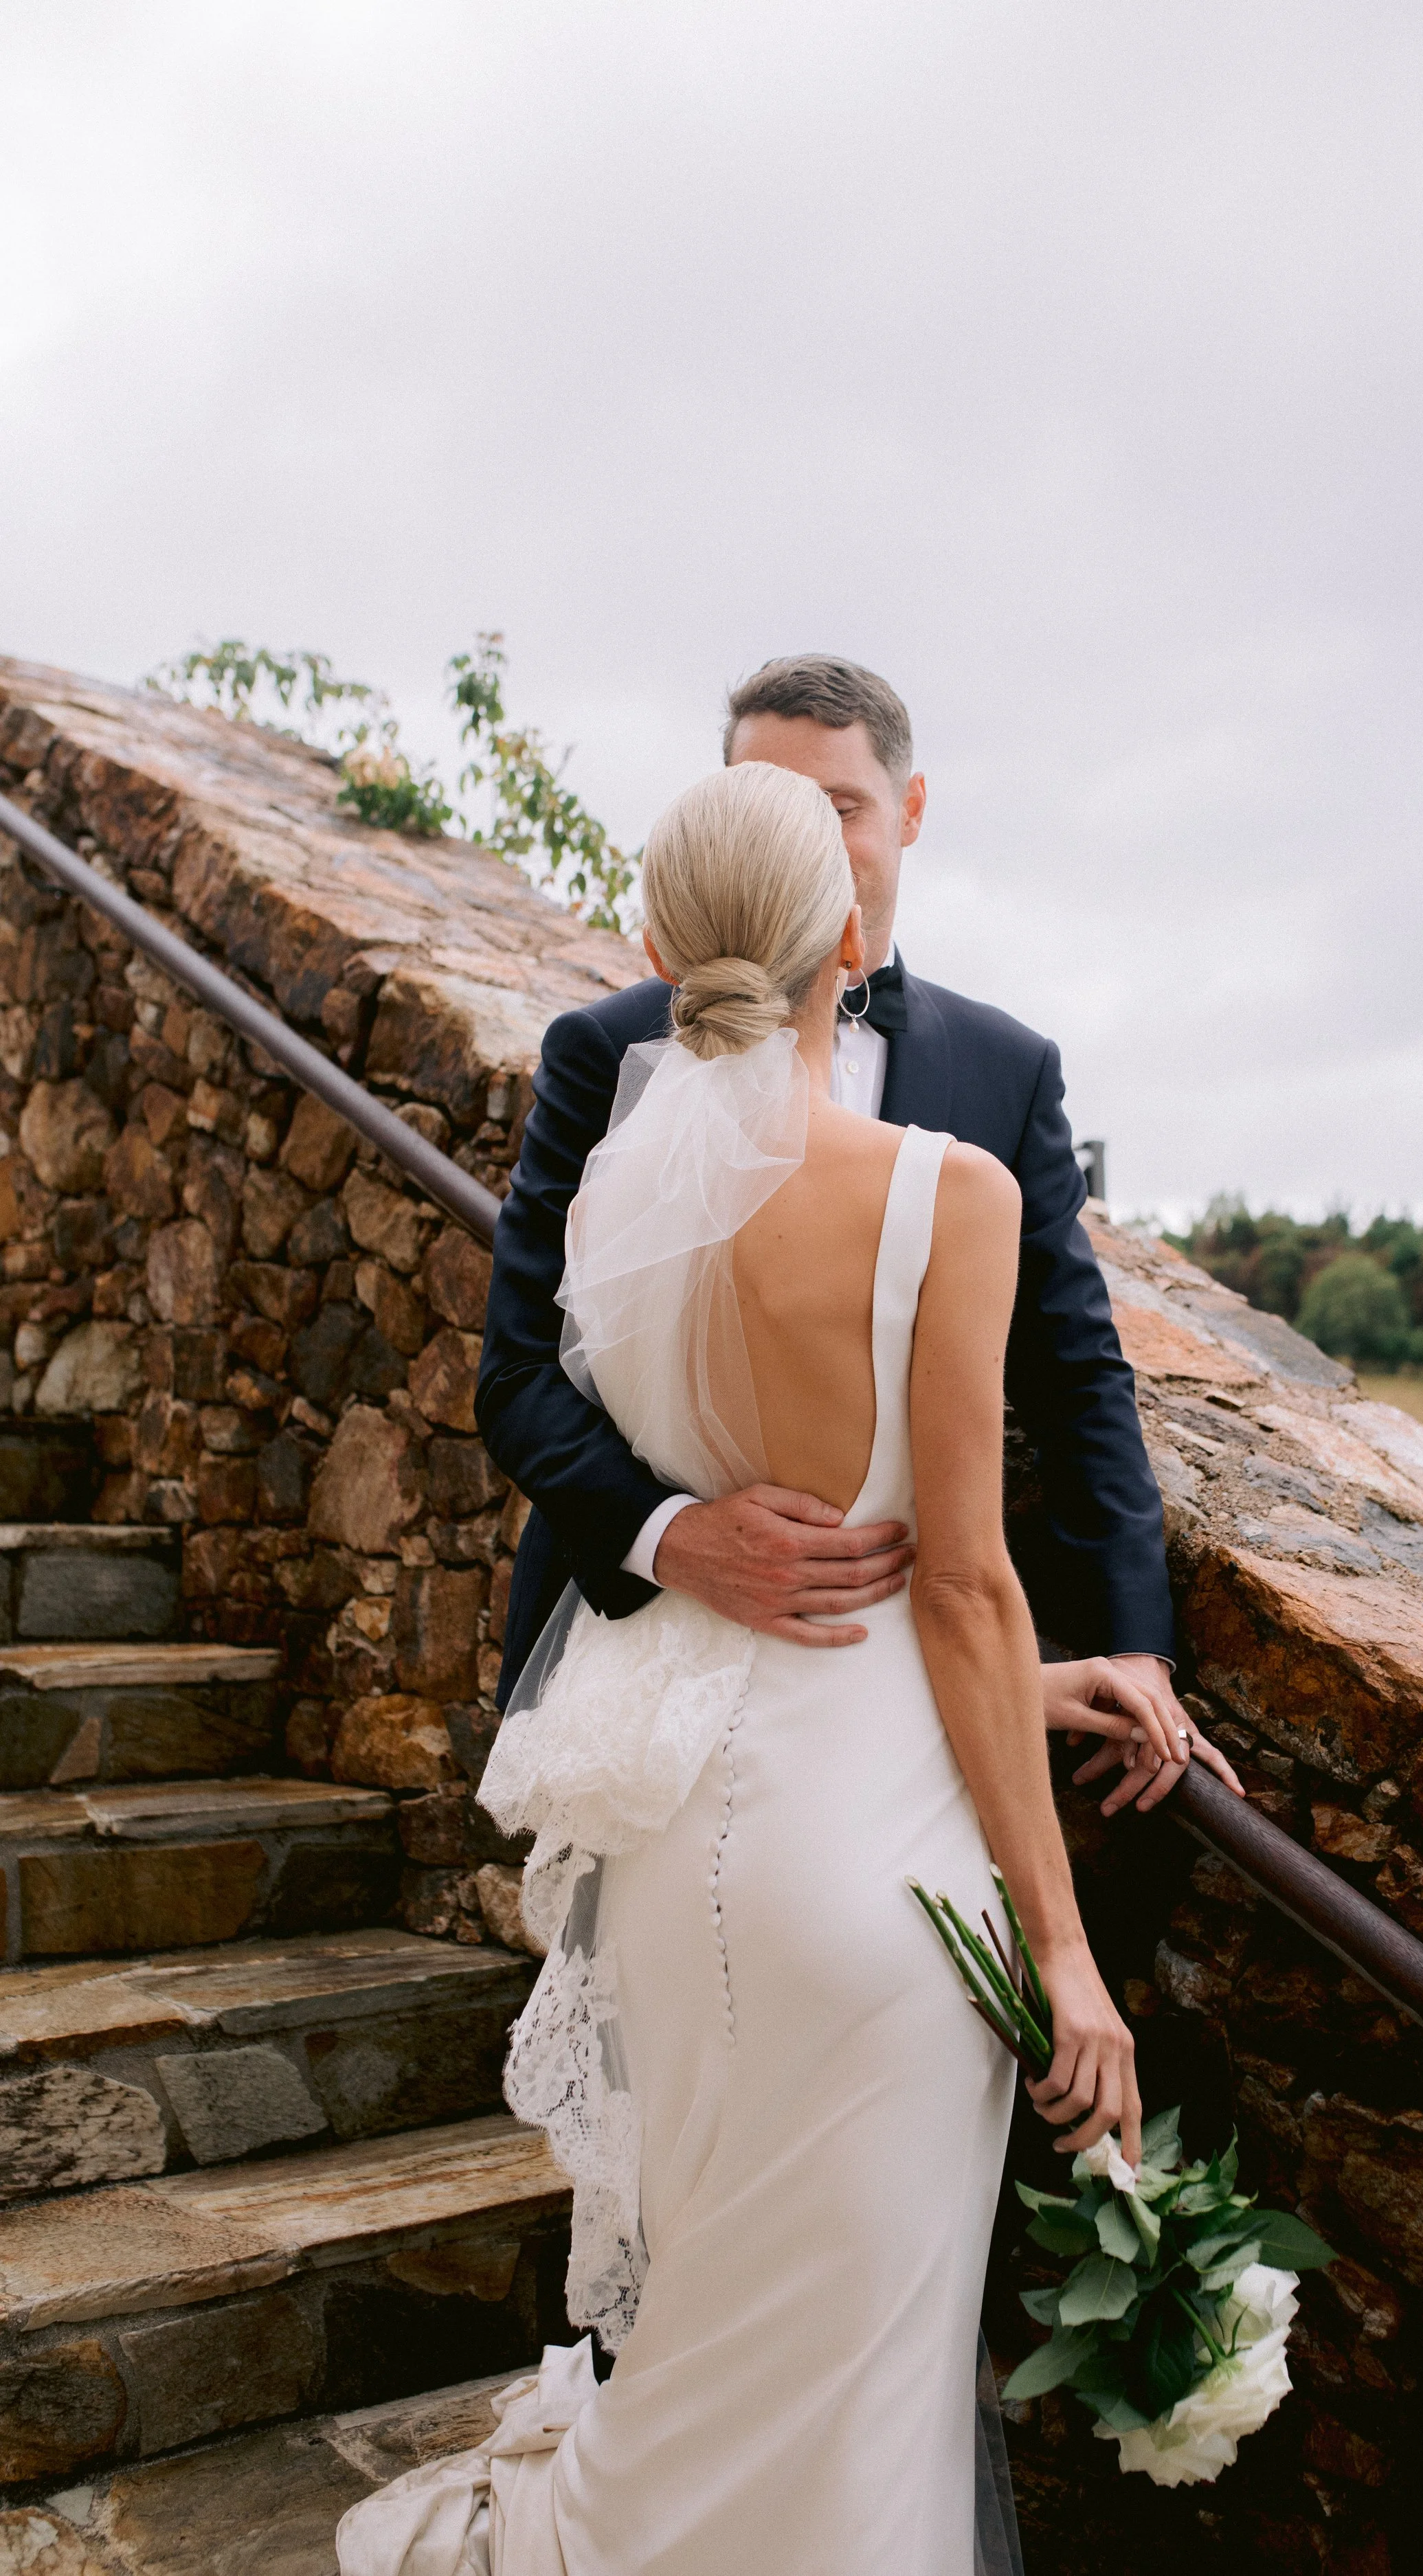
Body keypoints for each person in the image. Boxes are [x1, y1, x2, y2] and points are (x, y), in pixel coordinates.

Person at [337, 762, 1150, 2573]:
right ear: (848, 941)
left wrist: (1014, 1687)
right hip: (868, 1867)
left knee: (715, 2321)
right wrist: (1070, 1954)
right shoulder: (943, 1192)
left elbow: (763, 1552)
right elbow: (953, 1588)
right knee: (860, 2370)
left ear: (653, 944)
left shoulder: (626, 1192)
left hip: (667, 1840)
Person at [478, 655, 1241, 1815]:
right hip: (638, 1659)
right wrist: (672, 1537)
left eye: (838, 807)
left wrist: (1136, 1641)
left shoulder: (1006, 1072)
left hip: (890, 1696)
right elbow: (518, 1370)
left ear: (911, 812)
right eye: (768, 803)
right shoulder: (604, 1053)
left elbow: (1075, 1369)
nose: (804, 839)